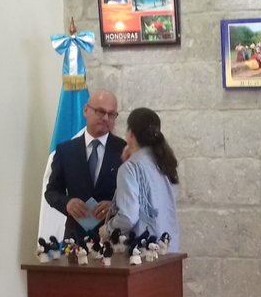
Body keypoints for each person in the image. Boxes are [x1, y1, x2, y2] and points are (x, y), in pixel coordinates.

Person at [44, 90, 126, 241]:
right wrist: (67, 203)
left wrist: (114, 206)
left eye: (111, 114)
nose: (105, 118)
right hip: (75, 238)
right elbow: (52, 192)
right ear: (86, 110)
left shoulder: (124, 151)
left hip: (113, 237)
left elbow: (136, 196)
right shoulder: (65, 151)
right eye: (100, 112)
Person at [106, 108, 181, 251]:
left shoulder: (130, 167)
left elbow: (128, 217)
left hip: (144, 250)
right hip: (169, 248)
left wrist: (108, 228)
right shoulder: (165, 162)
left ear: (130, 134)